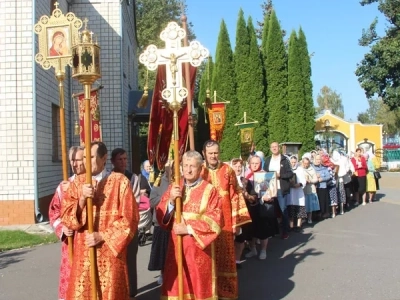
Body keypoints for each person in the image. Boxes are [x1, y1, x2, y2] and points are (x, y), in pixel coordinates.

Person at [61, 142, 139, 300]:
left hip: (110, 256)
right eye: (83, 157)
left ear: (104, 159)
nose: (85, 161)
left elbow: (130, 218)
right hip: (84, 254)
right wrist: (82, 199)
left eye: (90, 157)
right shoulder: (76, 184)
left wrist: (103, 236)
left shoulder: (120, 182)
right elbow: (67, 218)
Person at [156, 150, 223, 299]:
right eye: (185, 165)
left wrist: (188, 228)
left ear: (200, 169)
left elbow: (215, 220)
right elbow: (161, 215)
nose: (188, 169)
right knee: (177, 285)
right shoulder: (175, 187)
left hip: (198, 249)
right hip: (176, 247)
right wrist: (171, 202)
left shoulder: (209, 190)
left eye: (192, 166)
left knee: (197, 285)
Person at [200, 140, 251, 299]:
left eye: (216, 152)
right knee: (207, 260)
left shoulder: (228, 170)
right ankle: (208, 293)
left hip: (226, 223)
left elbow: (236, 195)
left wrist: (236, 221)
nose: (214, 156)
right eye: (210, 153)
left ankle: (227, 293)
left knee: (226, 259)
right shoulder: (200, 172)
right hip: (206, 223)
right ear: (204, 154)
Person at [49, 146, 85, 300]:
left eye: (78, 160)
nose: (74, 164)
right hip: (70, 242)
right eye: (72, 160)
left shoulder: (94, 183)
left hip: (87, 239)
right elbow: (54, 212)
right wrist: (63, 228)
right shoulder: (63, 186)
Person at [111, 147, 140, 299]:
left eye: (125, 159)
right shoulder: (108, 178)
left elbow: (135, 200)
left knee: (130, 258)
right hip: (114, 226)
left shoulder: (132, 177)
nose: (123, 162)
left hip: (129, 224)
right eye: (119, 160)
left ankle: (132, 291)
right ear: (112, 162)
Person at [148, 161, 174, 285]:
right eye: (170, 167)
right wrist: (168, 199)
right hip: (161, 222)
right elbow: (152, 201)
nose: (172, 169)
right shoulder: (159, 181)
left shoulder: (182, 180)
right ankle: (163, 275)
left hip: (176, 223)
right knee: (163, 253)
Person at [263, 142, 293, 239]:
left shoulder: (284, 159)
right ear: (270, 148)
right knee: (270, 210)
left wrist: (280, 176)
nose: (274, 148)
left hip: (280, 188)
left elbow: (290, 174)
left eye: (276, 147)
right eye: (273, 147)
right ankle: (272, 231)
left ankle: (285, 231)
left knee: (283, 209)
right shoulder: (267, 160)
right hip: (270, 188)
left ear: (279, 148)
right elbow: (264, 172)